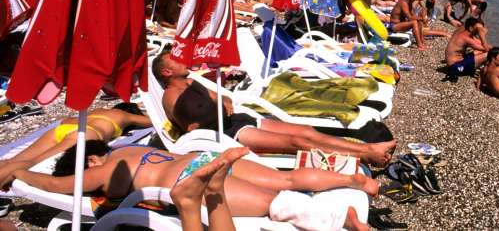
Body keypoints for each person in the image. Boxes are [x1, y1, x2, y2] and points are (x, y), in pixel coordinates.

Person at [6, 143, 373, 231]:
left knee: (277, 203)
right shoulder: (129, 148)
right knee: (287, 180)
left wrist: (17, 172)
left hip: (184, 181)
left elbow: (58, 185)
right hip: (199, 157)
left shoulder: (103, 169)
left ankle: (344, 219)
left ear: (89, 161)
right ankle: (352, 181)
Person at [154, 53, 396, 166]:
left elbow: (225, 100)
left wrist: (222, 106)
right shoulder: (171, 97)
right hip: (224, 136)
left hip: (236, 120)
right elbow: (192, 126)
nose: (180, 57)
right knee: (295, 143)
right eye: (174, 58)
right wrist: (220, 107)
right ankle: (364, 155)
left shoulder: (191, 82)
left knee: (306, 131)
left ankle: (367, 147)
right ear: (166, 72)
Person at [0, 103, 151, 184]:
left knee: (14, 160)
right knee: (31, 163)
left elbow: (66, 120)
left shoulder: (98, 109)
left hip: (64, 128)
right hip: (87, 133)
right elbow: (151, 121)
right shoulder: (123, 115)